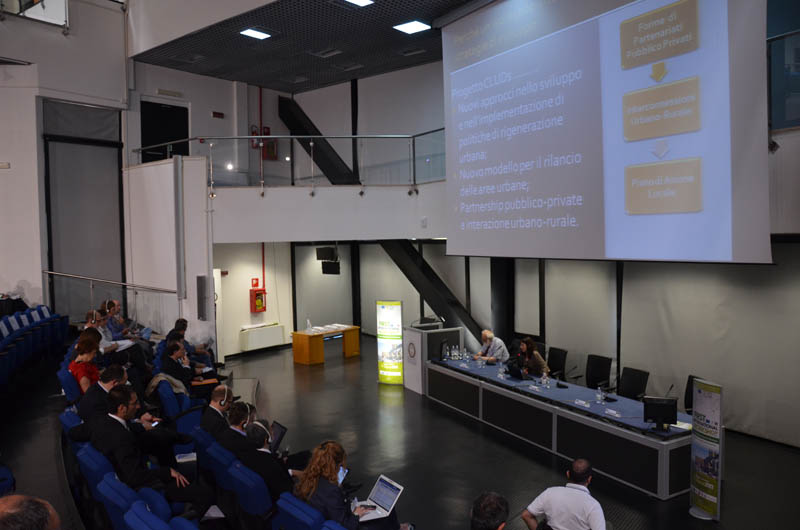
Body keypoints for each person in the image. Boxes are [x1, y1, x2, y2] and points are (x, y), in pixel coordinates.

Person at [91, 385, 214, 519]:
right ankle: (182, 522)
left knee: (157, 438)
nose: (138, 407)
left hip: (134, 471)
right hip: (147, 486)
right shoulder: (122, 438)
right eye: (134, 403)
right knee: (206, 494)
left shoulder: (103, 422)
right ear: (121, 408)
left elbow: (128, 428)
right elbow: (134, 477)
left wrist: (143, 425)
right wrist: (167, 472)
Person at [295, 441, 411, 530]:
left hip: (323, 522)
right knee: (387, 513)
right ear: (335, 465)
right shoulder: (331, 490)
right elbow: (346, 526)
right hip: (342, 525)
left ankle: (398, 527)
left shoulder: (308, 478)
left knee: (379, 512)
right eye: (341, 464)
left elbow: (330, 508)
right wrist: (356, 514)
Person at [521, 458, 606, 530]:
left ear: (568, 474)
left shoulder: (550, 492)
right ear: (589, 479)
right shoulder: (594, 506)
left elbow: (526, 515)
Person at [241, 418, 297, 502]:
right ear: (266, 439)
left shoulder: (246, 455)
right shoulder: (272, 466)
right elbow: (289, 490)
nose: (273, 432)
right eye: (271, 431)